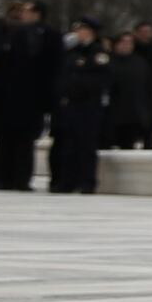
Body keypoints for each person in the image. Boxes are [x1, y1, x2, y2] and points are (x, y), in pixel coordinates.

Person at [0, 0, 56, 191]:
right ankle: (2, 177)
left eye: (27, 11)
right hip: (8, 96)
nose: (22, 15)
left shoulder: (49, 35)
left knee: (25, 140)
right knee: (5, 139)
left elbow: (51, 67)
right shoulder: (12, 34)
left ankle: (21, 178)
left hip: (32, 97)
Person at [47, 20, 116, 195]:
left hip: (89, 105)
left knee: (86, 144)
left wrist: (78, 84)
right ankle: (67, 180)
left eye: (82, 30)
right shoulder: (71, 52)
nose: (78, 33)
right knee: (69, 143)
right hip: (71, 104)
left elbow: (101, 80)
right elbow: (63, 75)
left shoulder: (98, 52)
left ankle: (87, 181)